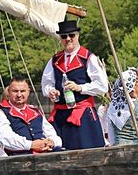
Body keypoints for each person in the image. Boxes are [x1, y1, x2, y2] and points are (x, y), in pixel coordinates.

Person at [40, 19, 108, 149]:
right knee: (59, 151)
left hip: (83, 114)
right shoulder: (55, 60)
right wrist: (51, 91)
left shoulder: (88, 58)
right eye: (64, 36)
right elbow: (46, 83)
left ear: (77, 35)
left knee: (87, 149)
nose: (68, 39)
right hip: (60, 115)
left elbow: (102, 86)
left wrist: (80, 87)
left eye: (71, 35)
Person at [0, 76, 63, 154]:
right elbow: (5, 138)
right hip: (17, 159)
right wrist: (31, 145)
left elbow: (51, 133)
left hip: (45, 155)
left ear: (28, 92)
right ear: (9, 92)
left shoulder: (35, 111)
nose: (19, 95)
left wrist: (52, 142)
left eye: (22, 91)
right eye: (15, 91)